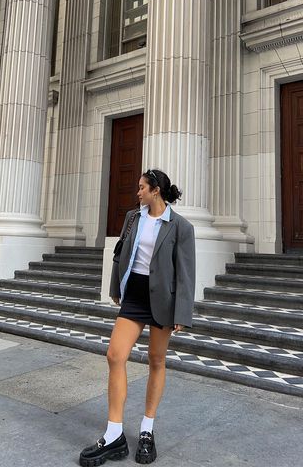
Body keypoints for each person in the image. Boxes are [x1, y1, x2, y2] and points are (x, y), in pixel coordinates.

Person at [79, 169, 195, 466]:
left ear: (156, 190)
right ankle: (114, 433)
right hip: (134, 295)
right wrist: (116, 285)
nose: (138, 192)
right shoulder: (133, 217)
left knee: (156, 360)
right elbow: (121, 253)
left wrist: (181, 310)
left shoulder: (180, 226)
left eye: (142, 187)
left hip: (163, 300)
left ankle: (146, 429)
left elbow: (185, 272)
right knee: (115, 355)